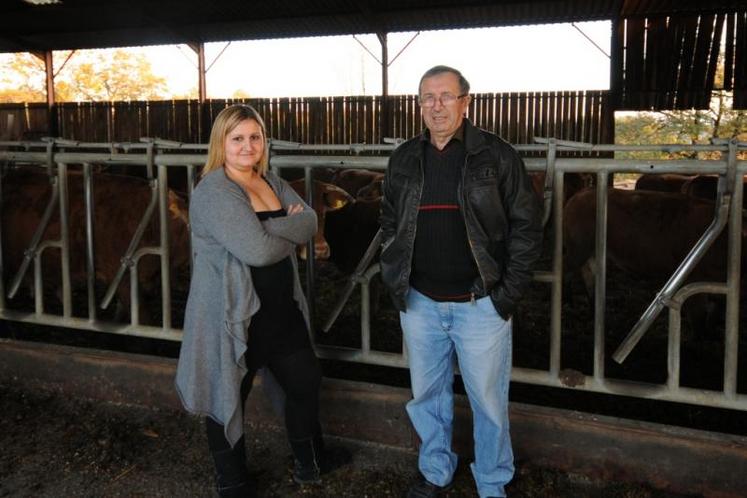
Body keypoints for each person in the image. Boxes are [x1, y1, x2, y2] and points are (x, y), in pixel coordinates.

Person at [379, 66, 542, 498]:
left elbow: (527, 227)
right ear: (418, 105)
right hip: (420, 302)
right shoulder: (404, 158)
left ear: (466, 102)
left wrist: (504, 296)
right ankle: (435, 470)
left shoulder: (497, 155)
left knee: (488, 400)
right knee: (426, 396)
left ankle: (492, 480)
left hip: (480, 303)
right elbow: (391, 221)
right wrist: (396, 278)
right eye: (427, 97)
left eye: (446, 96)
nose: (436, 106)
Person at [175, 104, 326, 497]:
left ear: (264, 141)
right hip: (232, 314)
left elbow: (309, 220)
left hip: (280, 311)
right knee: (226, 398)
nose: (247, 146)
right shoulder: (214, 189)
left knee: (305, 382)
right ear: (221, 143)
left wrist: (267, 228)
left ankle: (308, 463)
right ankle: (233, 482)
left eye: (254, 137)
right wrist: (282, 228)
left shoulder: (270, 180)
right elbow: (256, 251)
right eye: (237, 138)